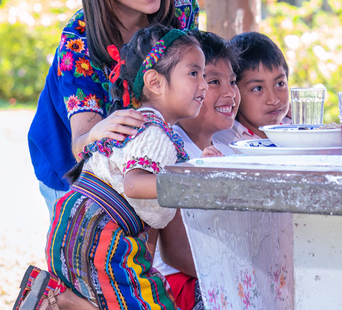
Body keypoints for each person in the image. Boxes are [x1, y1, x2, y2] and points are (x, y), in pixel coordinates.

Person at [15, 25, 207, 310]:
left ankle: (60, 301)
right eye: (194, 73)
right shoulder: (155, 133)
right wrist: (192, 182)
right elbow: (134, 185)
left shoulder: (132, 124)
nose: (203, 84)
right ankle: (59, 302)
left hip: (75, 224)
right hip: (100, 234)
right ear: (154, 81)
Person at [27, 0, 199, 215]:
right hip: (71, 166)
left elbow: (192, 75)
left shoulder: (179, 4)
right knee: (85, 251)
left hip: (137, 155)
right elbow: (81, 142)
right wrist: (98, 131)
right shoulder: (79, 43)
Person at [152, 30, 240, 310]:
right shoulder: (170, 150)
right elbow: (175, 253)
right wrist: (237, 271)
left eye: (233, 81)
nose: (229, 92)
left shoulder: (227, 147)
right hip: (179, 279)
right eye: (213, 80)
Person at [216, 31, 291, 142]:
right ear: (234, 91)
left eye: (280, 84)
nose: (274, 100)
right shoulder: (224, 142)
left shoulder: (296, 129)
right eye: (258, 88)